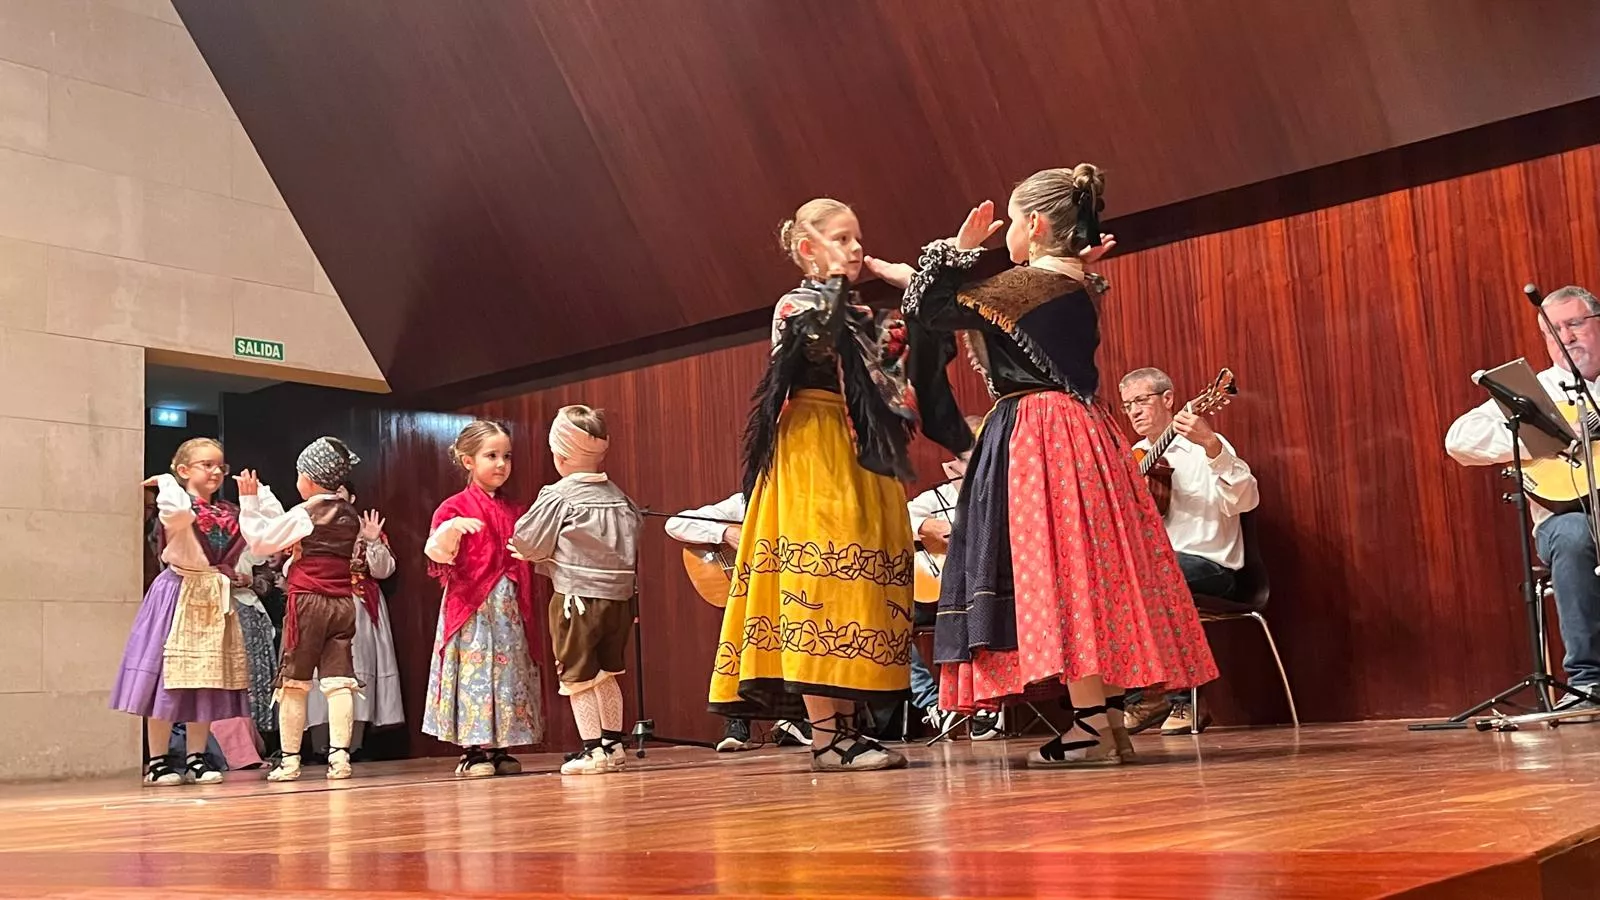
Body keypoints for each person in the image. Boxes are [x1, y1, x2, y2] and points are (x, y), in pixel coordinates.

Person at [868, 165, 1218, 767]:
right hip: (1082, 430)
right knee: (1084, 570)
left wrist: (956, 248)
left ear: (1034, 224)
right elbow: (961, 308)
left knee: (1060, 572)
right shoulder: (1070, 283)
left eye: (1012, 220)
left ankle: (1089, 723)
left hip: (1041, 433)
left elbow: (933, 309)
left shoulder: (1031, 287)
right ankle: (1105, 720)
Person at [710, 198, 970, 773]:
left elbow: (912, 372)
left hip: (860, 455)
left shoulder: (866, 317)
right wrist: (851, 291)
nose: (856, 250)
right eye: (843, 239)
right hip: (812, 451)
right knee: (818, 584)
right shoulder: (796, 305)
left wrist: (924, 285)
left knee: (855, 589)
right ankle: (827, 737)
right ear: (807, 249)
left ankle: (847, 731)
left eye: (859, 239)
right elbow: (818, 337)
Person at [1447, 285, 1600, 713]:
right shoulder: (1535, 392)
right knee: (1573, 534)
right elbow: (1459, 440)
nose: (1566, 338)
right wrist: (1542, 438)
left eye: (1574, 324)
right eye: (1554, 332)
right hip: (1564, 516)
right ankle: (1589, 683)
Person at [1119, 367, 1260, 735]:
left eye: (1141, 400)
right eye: (1127, 405)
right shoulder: (1133, 459)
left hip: (1212, 566)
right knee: (1114, 582)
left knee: (1159, 576)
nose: (1133, 411)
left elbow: (1246, 499)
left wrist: (1211, 444)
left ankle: (1181, 701)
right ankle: (1146, 696)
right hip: (1162, 569)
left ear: (1169, 400)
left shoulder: (1207, 445)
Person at [509, 405, 643, 775]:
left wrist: (529, 552)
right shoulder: (619, 496)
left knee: (579, 677)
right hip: (618, 599)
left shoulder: (559, 495)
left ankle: (591, 750)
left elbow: (529, 539)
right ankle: (613, 745)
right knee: (608, 672)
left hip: (576, 599)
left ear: (561, 454)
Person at [112, 437, 252, 785]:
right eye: (207, 464)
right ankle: (158, 760)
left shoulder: (228, 512)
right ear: (185, 470)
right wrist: (167, 483)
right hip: (177, 592)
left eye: (221, 465)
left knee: (206, 677)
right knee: (166, 678)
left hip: (211, 593)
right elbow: (176, 515)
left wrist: (253, 499)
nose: (216, 471)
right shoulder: (176, 505)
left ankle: (197, 756)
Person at [235, 437, 364, 781]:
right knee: (339, 680)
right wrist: (264, 496)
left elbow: (262, 541)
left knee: (294, 681)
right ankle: (340, 757)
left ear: (308, 477)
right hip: (342, 603)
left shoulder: (307, 513)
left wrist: (249, 501)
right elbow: (289, 524)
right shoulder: (349, 513)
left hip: (308, 601)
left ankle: (290, 759)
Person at [424, 420, 544, 777]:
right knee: (475, 670)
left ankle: (501, 746)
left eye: (506, 456)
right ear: (467, 461)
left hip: (508, 606)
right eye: (491, 456)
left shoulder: (516, 509)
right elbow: (435, 553)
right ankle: (472, 749)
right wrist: (450, 531)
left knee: (507, 672)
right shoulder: (453, 507)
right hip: (472, 605)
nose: (501, 464)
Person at [665, 493, 811, 751]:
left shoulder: (804, 502)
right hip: (752, 597)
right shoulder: (745, 502)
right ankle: (737, 724)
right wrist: (724, 533)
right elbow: (675, 524)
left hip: (794, 596)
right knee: (743, 648)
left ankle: (793, 720)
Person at [906, 417, 1002, 740]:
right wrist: (931, 529)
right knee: (891, 624)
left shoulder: (1001, 493)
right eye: (968, 457)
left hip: (984, 596)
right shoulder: (936, 499)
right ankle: (934, 703)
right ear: (952, 467)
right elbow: (905, 517)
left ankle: (991, 699)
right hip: (936, 594)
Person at [305, 483, 405, 756]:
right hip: (321, 602)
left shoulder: (365, 528)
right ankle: (319, 745)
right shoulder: (308, 524)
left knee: (359, 669)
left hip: (359, 604)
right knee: (319, 671)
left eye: (341, 494)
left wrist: (373, 541)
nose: (336, 499)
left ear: (352, 497)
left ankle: (354, 744)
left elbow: (383, 571)